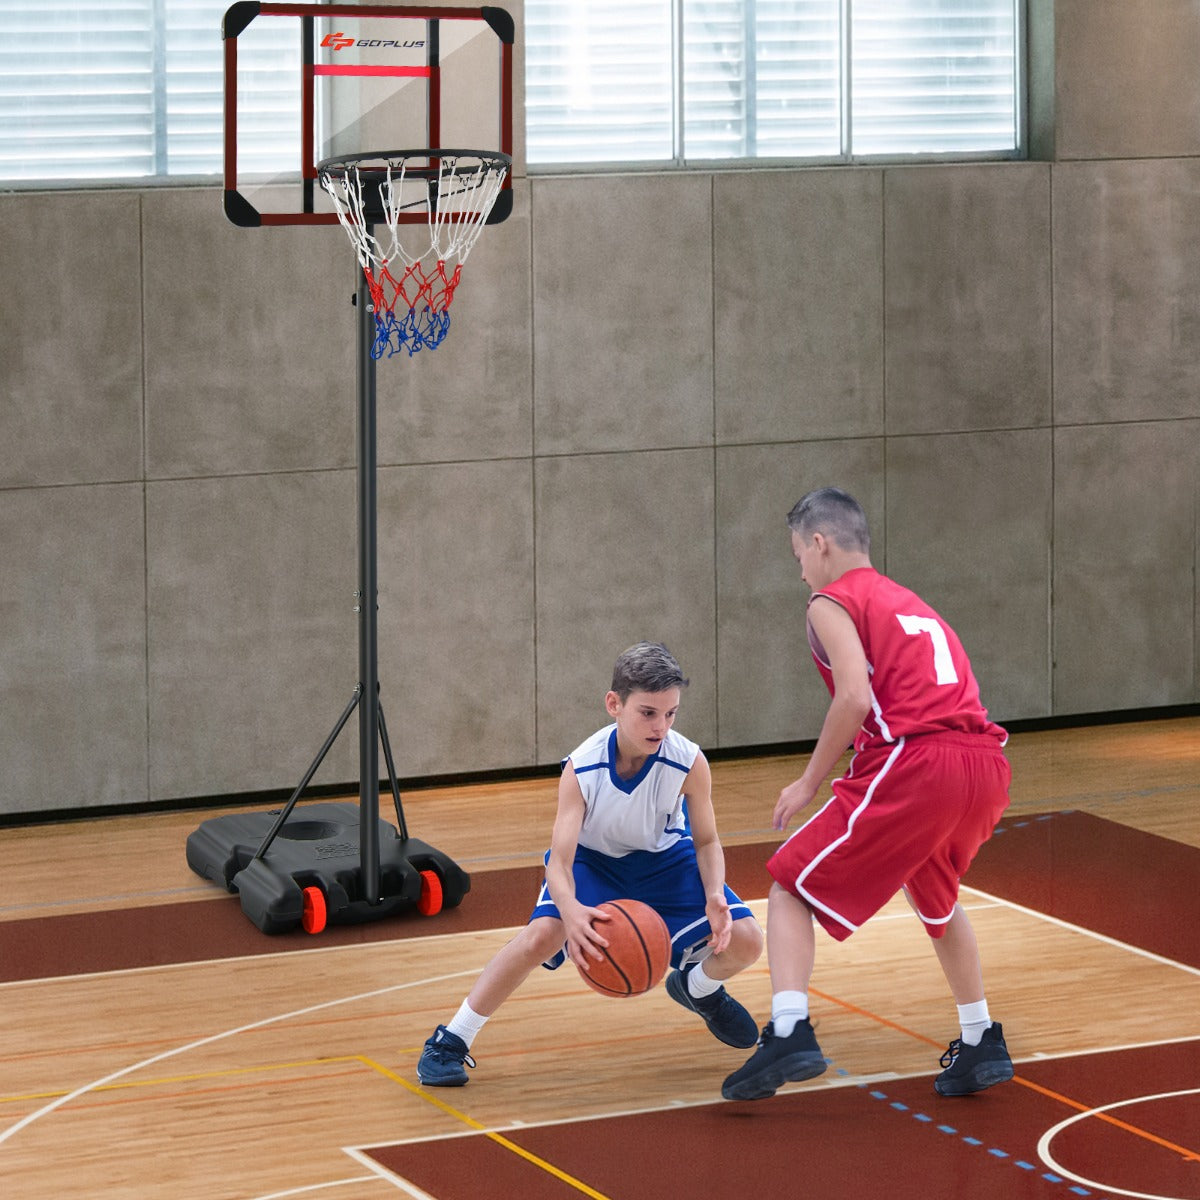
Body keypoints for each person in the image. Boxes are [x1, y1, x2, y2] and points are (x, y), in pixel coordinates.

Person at [722, 487, 1014, 1102]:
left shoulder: (831, 600)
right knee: (938, 899)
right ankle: (980, 1035)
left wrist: (807, 781)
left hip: (918, 762)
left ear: (819, 543)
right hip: (985, 764)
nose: (799, 568)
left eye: (798, 553)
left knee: (789, 885)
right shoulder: (914, 604)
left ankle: (790, 1028)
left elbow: (853, 697)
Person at [418, 641, 764, 1086]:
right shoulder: (582, 769)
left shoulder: (689, 761)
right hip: (593, 863)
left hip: (664, 860)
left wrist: (715, 891)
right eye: (648, 713)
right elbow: (559, 864)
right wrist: (572, 911)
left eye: (671, 713)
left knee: (748, 940)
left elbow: (708, 840)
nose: (661, 726)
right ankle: (450, 1040)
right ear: (614, 705)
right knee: (541, 936)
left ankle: (698, 989)